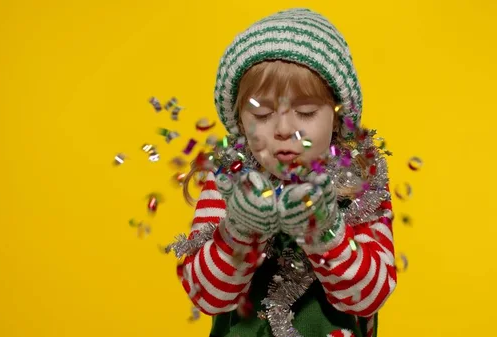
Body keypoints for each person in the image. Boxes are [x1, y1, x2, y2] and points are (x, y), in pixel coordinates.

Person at [167, 8, 397, 337]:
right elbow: (207, 297)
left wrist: (326, 231)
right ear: (239, 117)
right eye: (262, 113)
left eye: (305, 111)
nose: (284, 129)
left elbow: (370, 298)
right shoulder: (228, 179)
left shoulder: (359, 182)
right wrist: (239, 230)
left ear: (336, 117)